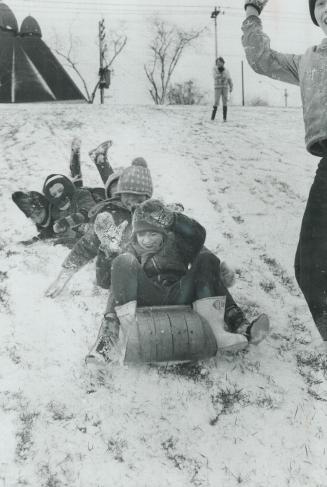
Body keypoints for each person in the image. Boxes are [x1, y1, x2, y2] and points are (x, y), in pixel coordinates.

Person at [87, 199, 269, 364]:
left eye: (153, 234)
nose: (147, 240)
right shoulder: (131, 249)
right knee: (122, 261)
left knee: (206, 258)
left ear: (163, 231)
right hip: (148, 297)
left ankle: (217, 331)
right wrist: (107, 251)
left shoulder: (176, 242)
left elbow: (198, 236)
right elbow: (105, 281)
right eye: (142, 235)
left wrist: (174, 220)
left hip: (180, 293)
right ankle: (115, 337)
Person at [242, 0, 327, 347]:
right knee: (309, 268)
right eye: (320, 3)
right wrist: (251, 12)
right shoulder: (306, 60)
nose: (326, 8)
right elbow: (262, 60)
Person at [45, 157, 153, 297]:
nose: (131, 200)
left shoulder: (154, 214)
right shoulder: (112, 217)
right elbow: (86, 246)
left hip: (151, 278)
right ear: (119, 195)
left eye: (137, 196)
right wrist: (63, 277)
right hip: (118, 280)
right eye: (126, 194)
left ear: (147, 197)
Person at [211, 57, 233, 122]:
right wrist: (221, 75)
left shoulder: (226, 70)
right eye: (217, 62)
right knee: (216, 101)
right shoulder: (214, 69)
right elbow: (215, 76)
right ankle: (212, 117)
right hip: (217, 87)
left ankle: (224, 118)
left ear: (223, 63)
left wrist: (231, 86)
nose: (219, 64)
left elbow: (229, 79)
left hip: (225, 87)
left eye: (220, 62)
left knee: (225, 102)